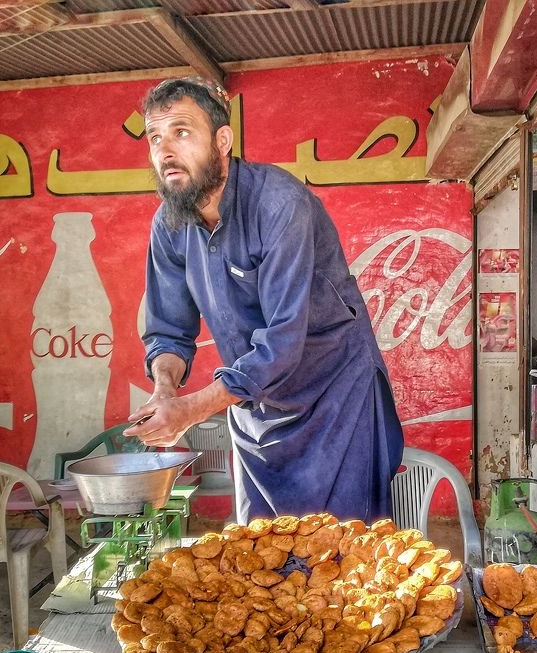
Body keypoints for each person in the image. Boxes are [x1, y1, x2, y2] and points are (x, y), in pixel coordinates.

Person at [124, 77, 404, 525]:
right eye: (155, 137)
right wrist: (165, 389)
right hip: (255, 405)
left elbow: (282, 342)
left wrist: (192, 410)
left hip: (334, 396)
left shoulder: (279, 204)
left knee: (347, 555)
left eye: (181, 131)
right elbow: (169, 331)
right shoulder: (169, 224)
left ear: (222, 141)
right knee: (262, 555)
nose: (164, 151)